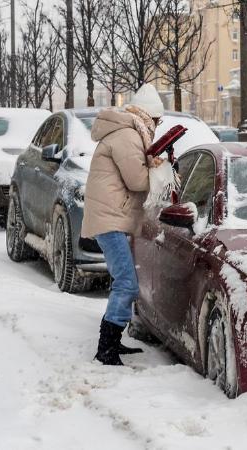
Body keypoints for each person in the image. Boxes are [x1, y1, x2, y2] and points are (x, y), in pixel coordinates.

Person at [81, 84, 165, 366]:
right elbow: (137, 181)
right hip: (110, 218)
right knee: (127, 283)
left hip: (113, 216)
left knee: (125, 282)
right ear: (148, 116)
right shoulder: (128, 136)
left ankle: (113, 343)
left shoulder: (127, 133)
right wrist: (155, 167)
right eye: (157, 121)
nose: (157, 126)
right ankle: (106, 348)